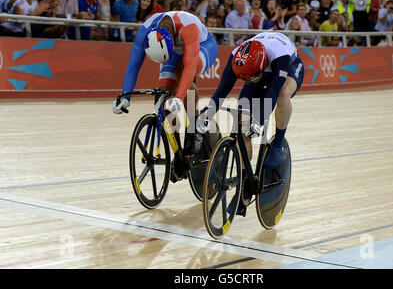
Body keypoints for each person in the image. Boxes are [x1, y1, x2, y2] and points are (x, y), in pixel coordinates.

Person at [196, 31, 305, 216]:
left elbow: (273, 91)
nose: (246, 81)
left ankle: (278, 143)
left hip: (289, 67)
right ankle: (245, 185)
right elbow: (223, 89)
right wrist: (209, 114)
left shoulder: (281, 56)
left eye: (250, 78)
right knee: (242, 125)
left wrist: (260, 121)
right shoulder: (237, 58)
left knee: (282, 94)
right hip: (256, 70)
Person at [112, 11, 218, 162]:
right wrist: (125, 96)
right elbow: (133, 65)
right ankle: (178, 153)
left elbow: (190, 67)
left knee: (181, 69)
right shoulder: (145, 32)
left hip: (203, 45)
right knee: (164, 94)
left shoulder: (189, 27)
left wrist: (180, 98)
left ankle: (194, 127)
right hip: (174, 49)